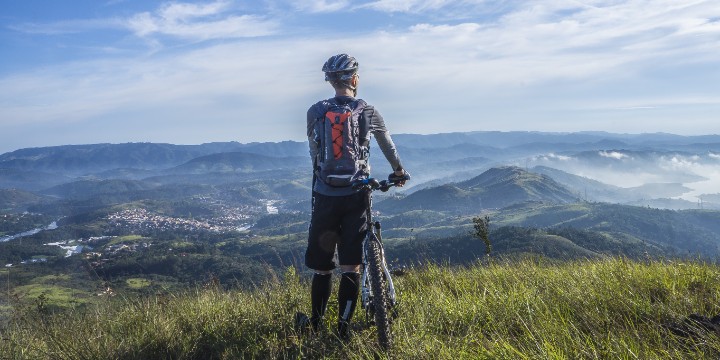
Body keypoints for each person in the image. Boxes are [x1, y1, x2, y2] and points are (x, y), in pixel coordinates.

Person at [296, 53, 409, 339]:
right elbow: (388, 146)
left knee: (322, 269)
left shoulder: (315, 111)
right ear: (355, 79)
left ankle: (316, 325)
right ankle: (343, 328)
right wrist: (398, 171)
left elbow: (314, 153)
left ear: (331, 81)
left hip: (325, 194)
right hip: (357, 194)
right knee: (351, 265)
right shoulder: (367, 110)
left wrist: (321, 180)